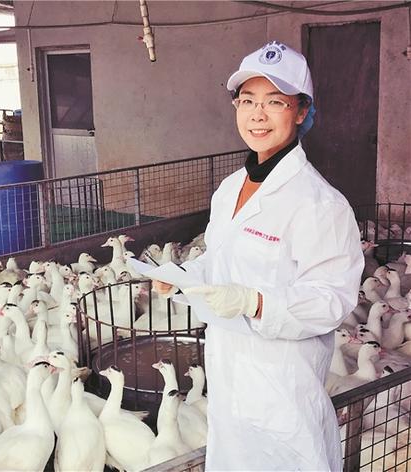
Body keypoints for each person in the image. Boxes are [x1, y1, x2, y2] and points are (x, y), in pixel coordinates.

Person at [154, 41, 363, 470]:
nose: (257, 115)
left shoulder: (320, 204)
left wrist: (256, 302)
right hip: (229, 385)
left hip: (283, 397)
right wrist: (183, 275)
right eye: (247, 100)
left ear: (301, 112)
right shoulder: (230, 188)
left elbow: (332, 299)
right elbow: (220, 260)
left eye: (274, 102)